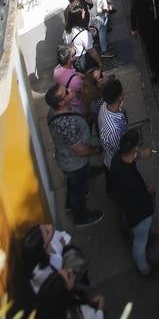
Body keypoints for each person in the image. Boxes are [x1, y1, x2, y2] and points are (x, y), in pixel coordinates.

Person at [45, 84, 103, 227]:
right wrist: (95, 150)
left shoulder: (53, 112)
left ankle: (70, 204)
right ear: (61, 102)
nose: (70, 90)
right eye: (66, 92)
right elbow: (80, 150)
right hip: (75, 163)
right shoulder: (67, 124)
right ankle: (81, 217)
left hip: (67, 159)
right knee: (78, 189)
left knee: (74, 184)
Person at [109, 129, 157, 277]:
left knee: (136, 231)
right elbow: (141, 198)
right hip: (139, 214)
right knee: (140, 241)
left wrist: (141, 155)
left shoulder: (117, 158)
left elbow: (131, 158)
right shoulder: (131, 182)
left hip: (125, 204)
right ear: (135, 149)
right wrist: (148, 191)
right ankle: (144, 268)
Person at [36, 267, 104, 319]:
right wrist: (100, 306)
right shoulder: (82, 316)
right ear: (64, 290)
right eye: (69, 275)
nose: (70, 269)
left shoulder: (46, 306)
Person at [131, 0, 159, 83]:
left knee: (157, 44)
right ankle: (154, 70)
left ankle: (158, 60)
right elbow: (133, 12)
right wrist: (133, 28)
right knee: (150, 49)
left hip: (157, 24)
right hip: (146, 28)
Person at [97, 78, 128, 190]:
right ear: (119, 96)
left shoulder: (104, 106)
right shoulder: (114, 129)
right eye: (122, 90)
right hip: (115, 163)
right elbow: (118, 151)